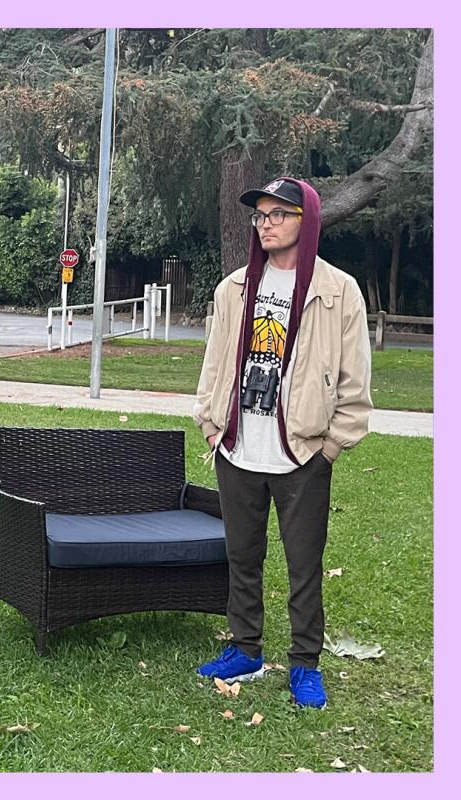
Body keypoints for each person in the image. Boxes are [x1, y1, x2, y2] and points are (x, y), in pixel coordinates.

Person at [193, 177, 372, 708]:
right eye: (261, 216)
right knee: (242, 556)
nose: (266, 223)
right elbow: (214, 365)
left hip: (302, 453)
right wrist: (210, 423)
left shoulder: (338, 290)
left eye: (279, 214)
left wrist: (333, 445)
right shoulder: (235, 289)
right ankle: (245, 647)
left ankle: (304, 663)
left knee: (303, 563)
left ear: (307, 220)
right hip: (237, 448)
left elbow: (354, 383)